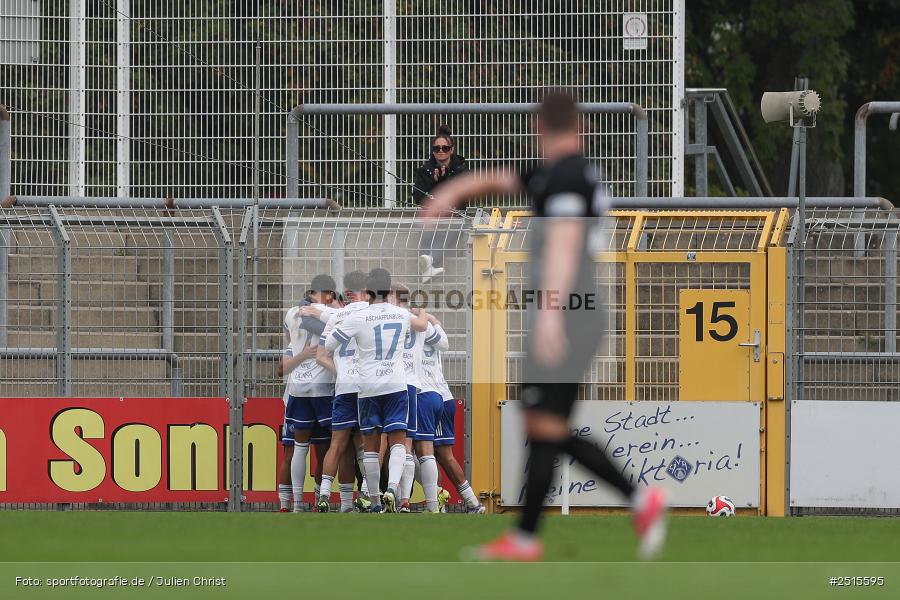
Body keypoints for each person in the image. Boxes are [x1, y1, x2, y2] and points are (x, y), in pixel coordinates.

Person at [421, 90, 667, 560]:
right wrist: (451, 191)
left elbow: (565, 243)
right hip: (575, 313)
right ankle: (532, 535)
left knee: (545, 425)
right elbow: (500, 179)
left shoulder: (569, 178)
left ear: (539, 129)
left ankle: (629, 502)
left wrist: (551, 314)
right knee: (544, 427)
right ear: (581, 128)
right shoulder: (558, 174)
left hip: (569, 313)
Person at [322, 268, 429, 512]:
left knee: (369, 446)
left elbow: (328, 344)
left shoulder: (357, 317)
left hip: (368, 387)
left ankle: (376, 499)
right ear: (389, 290)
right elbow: (420, 325)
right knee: (399, 441)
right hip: (396, 384)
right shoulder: (401, 315)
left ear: (368, 291)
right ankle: (392, 488)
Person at [309, 271, 371, 513]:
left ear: (346, 292)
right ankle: (366, 492)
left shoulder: (336, 316)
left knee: (337, 445)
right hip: (367, 387)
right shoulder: (371, 312)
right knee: (365, 445)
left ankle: (325, 496)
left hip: (344, 387)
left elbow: (321, 356)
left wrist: (341, 372)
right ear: (365, 291)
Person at [417, 309, 485, 514]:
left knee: (421, 450)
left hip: (427, 394)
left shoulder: (409, 329)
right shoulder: (431, 329)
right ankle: (471, 503)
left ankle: (438, 498)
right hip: (445, 396)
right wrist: (432, 319)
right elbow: (443, 340)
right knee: (440, 454)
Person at [283, 274, 339, 512]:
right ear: (327, 294)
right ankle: (319, 499)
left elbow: (291, 336)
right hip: (323, 385)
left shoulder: (291, 313)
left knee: (300, 446)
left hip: (297, 386)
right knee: (327, 447)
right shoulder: (326, 314)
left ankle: (297, 504)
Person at [413, 125, 469, 283]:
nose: (441, 151)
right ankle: (427, 268)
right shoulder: (425, 170)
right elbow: (417, 196)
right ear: (433, 151)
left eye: (445, 148)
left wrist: (444, 181)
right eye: (437, 148)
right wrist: (434, 182)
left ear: (452, 149)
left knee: (446, 232)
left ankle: (429, 261)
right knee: (426, 229)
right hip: (432, 216)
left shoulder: (460, 170)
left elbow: (462, 196)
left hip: (453, 217)